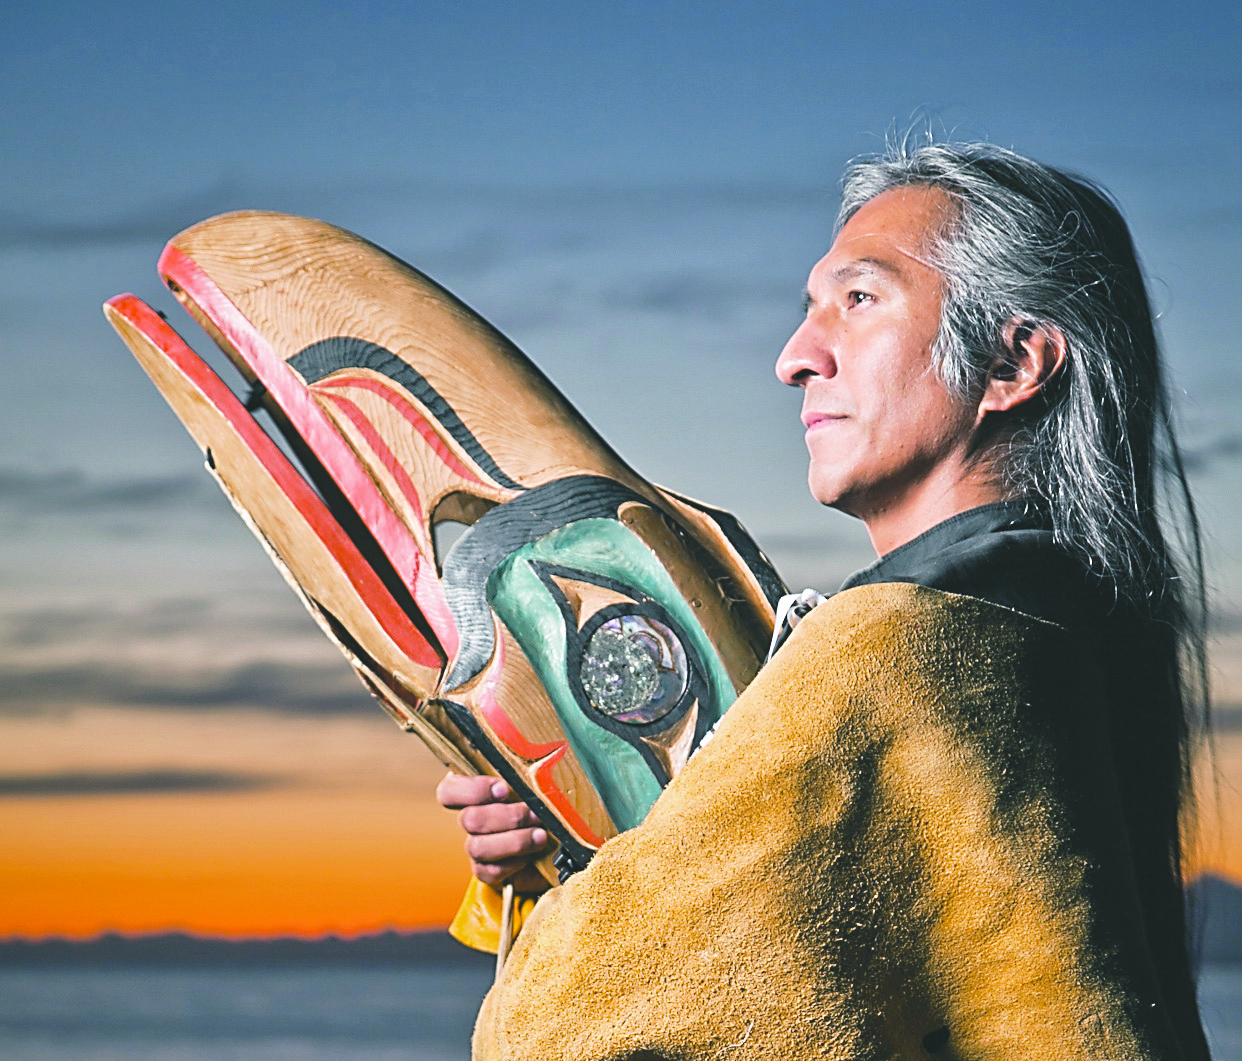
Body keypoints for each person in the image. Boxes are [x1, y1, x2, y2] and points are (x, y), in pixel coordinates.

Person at [439, 140, 1212, 1059]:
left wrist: (573, 904)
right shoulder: (1070, 631)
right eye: (809, 309)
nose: (795, 358)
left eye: (859, 299)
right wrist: (559, 849)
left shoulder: (897, 647)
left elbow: (560, 1032)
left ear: (1013, 363)